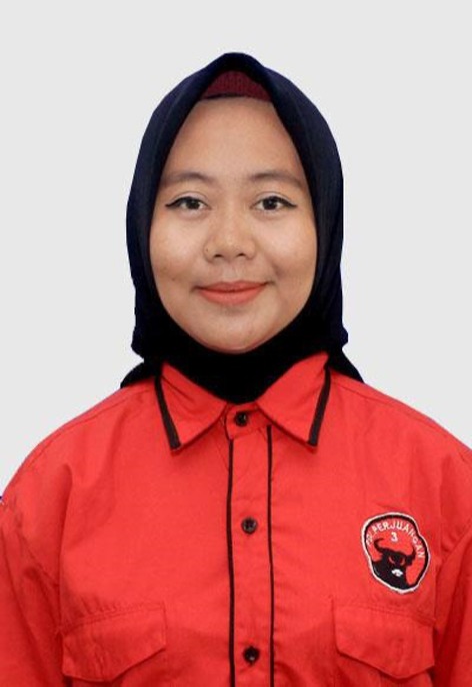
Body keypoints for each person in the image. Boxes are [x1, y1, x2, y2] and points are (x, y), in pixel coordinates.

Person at [0, 52, 471, 686]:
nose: (229, 242)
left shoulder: (444, 485)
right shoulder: (47, 499)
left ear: (325, 222)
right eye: (189, 202)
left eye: (271, 202)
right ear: (141, 226)